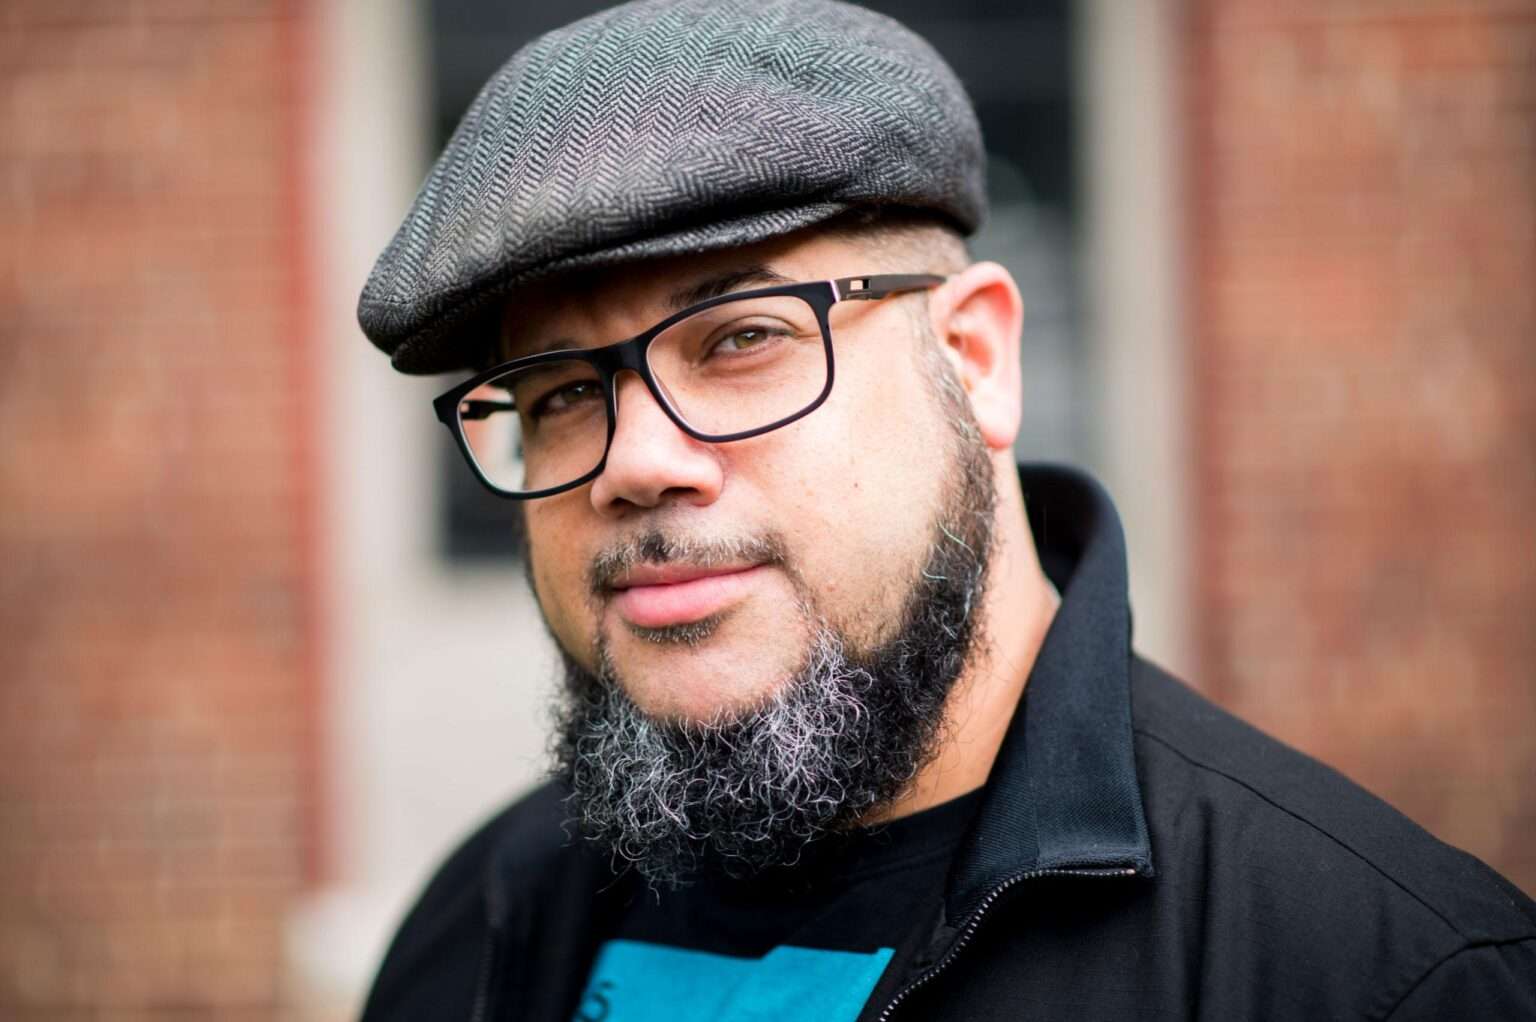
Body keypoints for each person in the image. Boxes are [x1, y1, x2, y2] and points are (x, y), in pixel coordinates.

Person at [353, 1, 1536, 1018]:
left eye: (743, 339)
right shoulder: (485, 920)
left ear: (974, 359)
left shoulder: (1378, 974)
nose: (637, 462)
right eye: (560, 392)